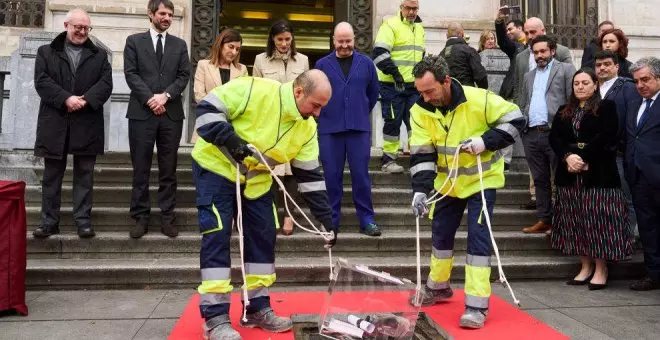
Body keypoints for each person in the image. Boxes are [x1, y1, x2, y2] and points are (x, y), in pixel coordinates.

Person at [192, 70, 336, 339]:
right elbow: (207, 109)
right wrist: (229, 138)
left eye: (322, 108)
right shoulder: (254, 89)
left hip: (257, 182)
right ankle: (215, 317)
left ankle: (257, 308)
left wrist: (326, 218)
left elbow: (310, 175)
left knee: (263, 234)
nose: (317, 113)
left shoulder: (306, 128)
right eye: (316, 105)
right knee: (217, 236)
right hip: (216, 169)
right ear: (298, 92)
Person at [409, 55, 524, 329]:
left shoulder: (478, 99)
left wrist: (486, 141)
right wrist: (420, 191)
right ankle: (438, 287)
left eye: (430, 91)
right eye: (421, 92)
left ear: (446, 81)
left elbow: (516, 118)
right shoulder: (419, 109)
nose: (425, 98)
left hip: (481, 182)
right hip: (446, 184)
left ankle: (476, 306)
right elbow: (422, 153)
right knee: (440, 234)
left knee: (478, 241)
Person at [32, 8, 112, 239]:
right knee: (51, 177)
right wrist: (65, 98)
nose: (82, 32)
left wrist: (84, 100)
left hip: (87, 122)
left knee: (84, 176)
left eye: (86, 28)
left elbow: (105, 84)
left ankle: (83, 222)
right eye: (78, 27)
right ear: (66, 25)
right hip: (55, 123)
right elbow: (42, 81)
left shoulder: (99, 55)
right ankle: (49, 222)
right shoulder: (45, 52)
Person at [549, 68, 632, 290]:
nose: (580, 87)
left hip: (598, 174)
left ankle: (601, 268)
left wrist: (583, 157)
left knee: (598, 222)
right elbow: (555, 138)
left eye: (585, 82)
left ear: (595, 84)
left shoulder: (606, 108)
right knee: (575, 221)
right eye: (576, 83)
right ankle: (584, 266)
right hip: (570, 175)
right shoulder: (563, 110)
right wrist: (568, 157)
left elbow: (606, 136)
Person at [123, 0, 191, 239]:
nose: (167, 18)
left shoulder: (180, 44)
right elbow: (131, 74)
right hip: (142, 113)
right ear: (150, 14)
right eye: (162, 13)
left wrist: (166, 96)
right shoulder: (133, 42)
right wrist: (151, 99)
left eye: (170, 14)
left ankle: (167, 217)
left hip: (170, 115)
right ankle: (140, 217)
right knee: (140, 168)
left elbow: (184, 75)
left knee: (168, 169)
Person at [315, 22, 381, 237]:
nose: (345, 45)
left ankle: (367, 219)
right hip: (329, 129)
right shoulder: (322, 65)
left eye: (348, 41)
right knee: (331, 177)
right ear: (333, 41)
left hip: (358, 128)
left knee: (361, 176)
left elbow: (373, 94)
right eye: (340, 41)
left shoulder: (367, 63)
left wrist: (358, 110)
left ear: (354, 39)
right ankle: (332, 221)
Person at [253, 19, 309, 235]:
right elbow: (256, 92)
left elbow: (307, 91)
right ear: (272, 40)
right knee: (273, 170)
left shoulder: (303, 60)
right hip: (271, 123)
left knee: (291, 172)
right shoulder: (260, 60)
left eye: (287, 39)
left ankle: (289, 216)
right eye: (280, 39)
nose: (284, 43)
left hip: (295, 123)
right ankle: (271, 215)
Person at [519, 35, 576, 234]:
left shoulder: (566, 69)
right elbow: (525, 102)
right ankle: (544, 219)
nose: (539, 55)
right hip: (531, 133)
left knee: (559, 180)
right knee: (540, 179)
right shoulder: (529, 75)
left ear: (552, 51)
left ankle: (563, 222)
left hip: (555, 132)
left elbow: (572, 100)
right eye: (536, 52)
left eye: (543, 51)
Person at [372, 0, 425, 173]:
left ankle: (418, 160)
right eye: (408, 8)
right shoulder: (390, 26)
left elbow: (420, 56)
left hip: (413, 86)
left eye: (414, 8)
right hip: (392, 85)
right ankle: (388, 160)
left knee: (416, 123)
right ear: (401, 7)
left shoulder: (419, 28)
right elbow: (379, 54)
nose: (412, 12)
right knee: (393, 122)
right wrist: (396, 74)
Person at [595, 50, 640, 240]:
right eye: (599, 65)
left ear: (616, 67)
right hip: (597, 155)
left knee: (625, 197)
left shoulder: (627, 87)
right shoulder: (593, 88)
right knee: (604, 198)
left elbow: (631, 122)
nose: (602, 68)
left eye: (607, 64)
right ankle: (609, 236)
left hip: (619, 153)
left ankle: (628, 237)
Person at [626, 57, 660, 291]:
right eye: (637, 81)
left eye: (645, 79)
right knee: (647, 228)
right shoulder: (635, 103)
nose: (640, 85)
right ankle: (654, 274)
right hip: (638, 177)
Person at [513, 17, 572, 107]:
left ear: (543, 30)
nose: (529, 36)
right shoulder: (520, 57)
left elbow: (569, 83)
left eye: (533, 32)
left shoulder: (562, 52)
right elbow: (518, 87)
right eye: (526, 33)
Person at [440, 22, 488, 89]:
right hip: (466, 93)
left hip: (448, 95)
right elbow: (480, 76)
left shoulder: (441, 54)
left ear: (447, 35)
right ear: (462, 33)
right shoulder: (468, 50)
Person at [478, 29, 509, 94]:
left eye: (492, 38)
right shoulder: (477, 55)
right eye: (487, 39)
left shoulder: (502, 54)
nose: (490, 41)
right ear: (483, 41)